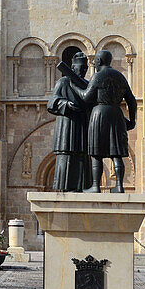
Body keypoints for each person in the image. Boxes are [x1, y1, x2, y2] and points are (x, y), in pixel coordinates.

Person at [72, 49, 137, 193]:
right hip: (116, 114)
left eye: (95, 61)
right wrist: (132, 120)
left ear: (99, 61)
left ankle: (95, 186)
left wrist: (74, 87)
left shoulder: (97, 76)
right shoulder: (120, 76)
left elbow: (86, 97)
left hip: (99, 114)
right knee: (116, 153)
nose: (94, 63)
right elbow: (132, 101)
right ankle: (119, 186)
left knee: (97, 153)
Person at [46, 50, 92, 191]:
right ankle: (62, 188)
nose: (83, 71)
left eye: (85, 68)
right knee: (66, 155)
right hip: (66, 126)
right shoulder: (63, 82)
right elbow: (51, 103)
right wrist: (66, 104)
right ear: (73, 68)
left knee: (82, 156)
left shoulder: (87, 84)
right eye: (80, 68)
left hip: (82, 125)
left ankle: (82, 187)